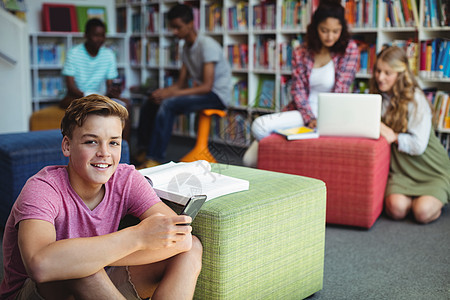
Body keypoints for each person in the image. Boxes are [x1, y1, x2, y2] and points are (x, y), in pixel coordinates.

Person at [0, 94, 203, 299]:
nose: (104, 153)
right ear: (67, 146)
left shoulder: (126, 179)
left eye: (114, 143)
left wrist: (99, 256)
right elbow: (40, 265)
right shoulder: (42, 188)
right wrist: (138, 237)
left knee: (191, 247)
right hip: (34, 292)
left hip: (98, 283)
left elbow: (181, 239)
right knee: (79, 267)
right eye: (91, 142)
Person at [243, 0, 360, 167]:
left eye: (336, 31)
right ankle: (281, 155)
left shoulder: (349, 49)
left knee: (253, 158)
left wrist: (322, 120)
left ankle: (282, 158)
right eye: (324, 30)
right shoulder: (301, 51)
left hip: (331, 115)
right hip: (301, 113)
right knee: (254, 142)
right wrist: (309, 118)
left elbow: (341, 90)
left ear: (342, 30)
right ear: (315, 28)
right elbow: (297, 90)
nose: (330, 37)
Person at [137, 4, 232, 167]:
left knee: (168, 104)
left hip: (217, 95)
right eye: (172, 27)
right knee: (152, 100)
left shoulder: (207, 46)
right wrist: (163, 92)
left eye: (178, 27)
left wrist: (169, 95)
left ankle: (155, 158)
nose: (174, 31)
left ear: (190, 24)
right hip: (205, 93)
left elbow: (207, 87)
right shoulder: (186, 48)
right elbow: (180, 84)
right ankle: (144, 151)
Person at [369, 46, 450, 224]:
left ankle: (429, 198)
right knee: (396, 209)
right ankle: (416, 199)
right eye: (378, 71)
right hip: (401, 169)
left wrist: (394, 136)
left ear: (400, 74)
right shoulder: (376, 97)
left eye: (387, 73)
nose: (380, 77)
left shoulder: (416, 98)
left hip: (429, 167)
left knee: (422, 212)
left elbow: (419, 145)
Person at [61, 18, 130, 139]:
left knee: (126, 105)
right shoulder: (73, 53)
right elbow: (70, 87)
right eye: (96, 35)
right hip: (77, 96)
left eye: (102, 36)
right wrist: (90, 97)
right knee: (72, 104)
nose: (100, 39)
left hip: (101, 96)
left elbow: (110, 84)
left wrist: (112, 90)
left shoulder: (108, 55)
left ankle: (124, 148)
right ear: (86, 35)